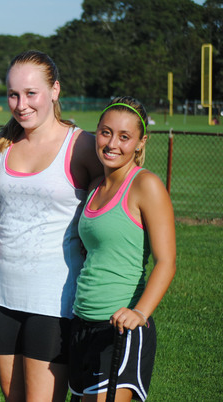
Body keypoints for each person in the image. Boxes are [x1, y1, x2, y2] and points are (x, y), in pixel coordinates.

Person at [0, 50, 104, 401]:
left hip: (52, 302)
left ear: (54, 90)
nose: (21, 104)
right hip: (1, 296)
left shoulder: (82, 146)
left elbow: (113, 204)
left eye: (31, 93)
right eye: (13, 94)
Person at [68, 97, 176, 401]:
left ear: (141, 143)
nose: (112, 143)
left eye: (124, 137)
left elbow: (166, 261)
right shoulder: (94, 189)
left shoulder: (146, 185)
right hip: (82, 325)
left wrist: (139, 312)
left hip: (120, 329)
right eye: (105, 132)